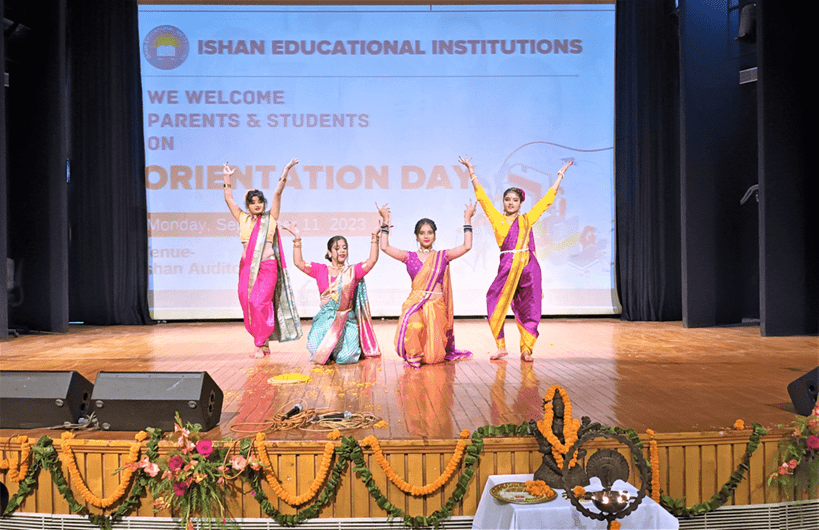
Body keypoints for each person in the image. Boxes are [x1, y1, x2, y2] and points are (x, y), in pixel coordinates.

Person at [459, 155, 573, 362]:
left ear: (521, 203)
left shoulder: (526, 219)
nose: (511, 203)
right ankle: (501, 346)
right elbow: (482, 199)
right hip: (506, 268)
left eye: (515, 200)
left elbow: (547, 201)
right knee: (494, 302)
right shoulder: (497, 219)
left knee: (529, 307)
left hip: (528, 269)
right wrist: (471, 172)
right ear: (503, 201)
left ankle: (527, 349)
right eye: (507, 199)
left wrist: (560, 175)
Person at [376, 201, 476, 368]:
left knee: (432, 359)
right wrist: (386, 220)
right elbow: (385, 247)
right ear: (416, 236)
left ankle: (424, 353)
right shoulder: (409, 257)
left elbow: (467, 246)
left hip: (436, 306)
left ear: (435, 235)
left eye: (430, 232)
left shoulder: (443, 256)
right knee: (414, 325)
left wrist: (467, 218)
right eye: (422, 233)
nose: (426, 236)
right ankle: (413, 356)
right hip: (416, 305)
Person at [223, 160, 302, 358]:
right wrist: (226, 177)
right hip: (247, 268)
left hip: (267, 267)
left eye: (260, 202)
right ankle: (263, 344)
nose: (258, 205)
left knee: (259, 303)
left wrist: (285, 171)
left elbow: (277, 193)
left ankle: (260, 343)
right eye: (253, 202)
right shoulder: (242, 218)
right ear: (248, 205)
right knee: (248, 302)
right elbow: (228, 199)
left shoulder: (270, 218)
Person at [279, 222, 381, 364]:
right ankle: (329, 351)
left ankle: (337, 350)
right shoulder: (320, 270)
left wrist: (374, 237)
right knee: (317, 350)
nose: (342, 251)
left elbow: (372, 260)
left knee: (345, 358)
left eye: (344, 248)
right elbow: (298, 262)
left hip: (346, 321)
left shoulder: (353, 272)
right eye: (337, 248)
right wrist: (297, 237)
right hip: (325, 320)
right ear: (329, 252)